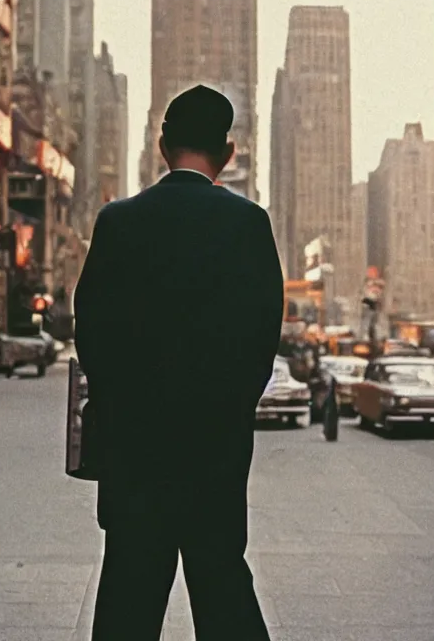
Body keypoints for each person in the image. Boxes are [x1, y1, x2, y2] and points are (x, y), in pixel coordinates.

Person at [74, 85, 284, 641]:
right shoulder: (248, 224)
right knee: (222, 587)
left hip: (133, 452)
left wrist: (122, 407)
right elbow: (263, 342)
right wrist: (227, 412)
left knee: (127, 594)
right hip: (214, 452)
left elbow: (89, 333)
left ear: (161, 145)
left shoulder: (118, 222)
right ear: (229, 153)